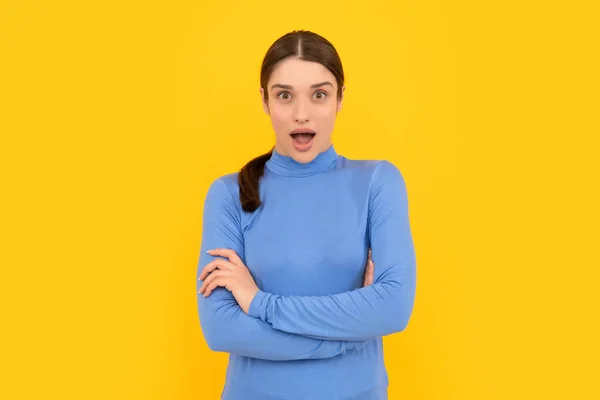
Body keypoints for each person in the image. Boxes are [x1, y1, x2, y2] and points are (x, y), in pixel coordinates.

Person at [196, 30, 416, 400]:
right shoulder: (228, 194)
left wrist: (259, 303)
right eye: (284, 95)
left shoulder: (378, 182)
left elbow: (393, 308)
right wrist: (343, 339)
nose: (301, 114)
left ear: (340, 97)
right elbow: (221, 330)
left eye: (319, 94)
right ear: (265, 101)